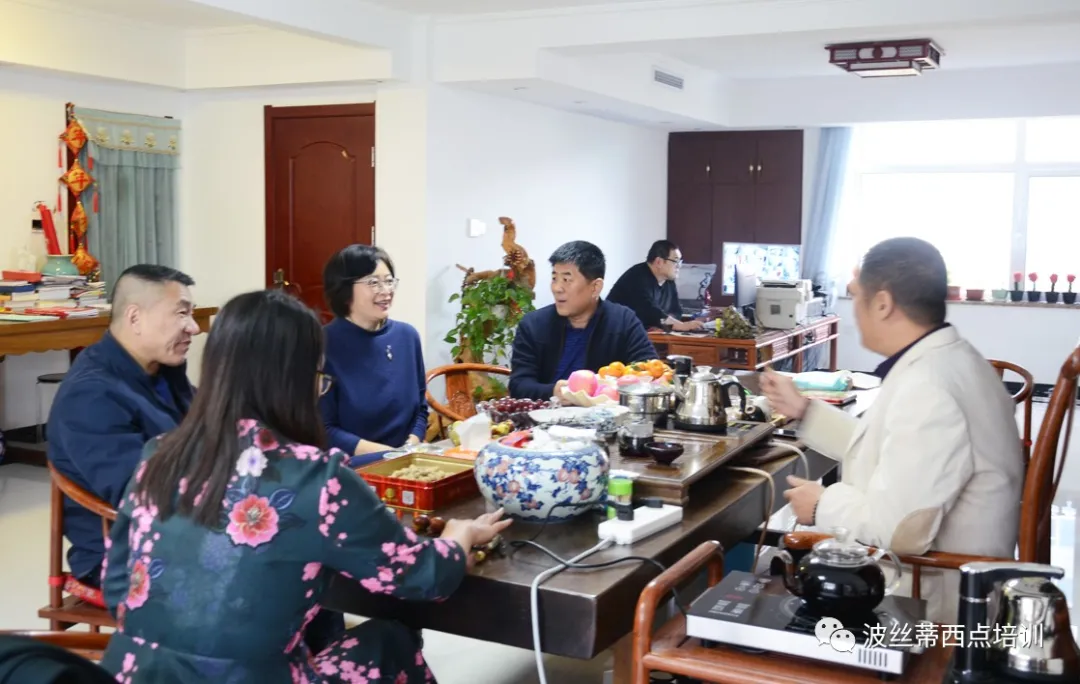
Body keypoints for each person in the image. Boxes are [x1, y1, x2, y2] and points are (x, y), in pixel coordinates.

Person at [99, 289, 512, 683]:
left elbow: (117, 586)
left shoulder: (159, 454)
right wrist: (459, 536)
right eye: (319, 375)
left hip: (128, 674)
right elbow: (420, 575)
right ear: (296, 380)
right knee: (389, 641)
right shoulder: (316, 479)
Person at [759, 237, 1023, 623]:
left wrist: (821, 504)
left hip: (934, 604)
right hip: (946, 580)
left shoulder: (928, 387)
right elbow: (893, 450)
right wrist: (805, 411)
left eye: (856, 296)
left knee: (768, 602)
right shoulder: (949, 361)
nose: (854, 310)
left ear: (882, 304)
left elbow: (902, 530)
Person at [47, 264, 198, 595]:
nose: (194, 327)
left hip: (182, 527)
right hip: (125, 553)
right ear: (134, 317)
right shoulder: (91, 394)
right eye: (181, 313)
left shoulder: (162, 372)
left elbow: (213, 431)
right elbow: (140, 491)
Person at [320, 245, 428, 466]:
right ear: (344, 288)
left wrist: (410, 447)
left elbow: (421, 409)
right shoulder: (322, 344)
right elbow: (324, 428)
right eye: (373, 283)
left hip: (408, 463)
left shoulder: (407, 336)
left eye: (389, 281)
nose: (386, 290)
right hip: (351, 468)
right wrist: (390, 455)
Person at [509, 241, 657, 400]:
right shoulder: (533, 325)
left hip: (604, 413)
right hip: (547, 410)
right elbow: (519, 385)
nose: (557, 288)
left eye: (567, 279)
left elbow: (650, 373)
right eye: (554, 278)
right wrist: (553, 391)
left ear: (595, 287)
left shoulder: (623, 321)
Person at [607, 240, 704, 332]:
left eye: (680, 261)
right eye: (675, 261)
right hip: (614, 332)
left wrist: (667, 324)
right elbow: (649, 311)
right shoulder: (637, 276)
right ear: (659, 262)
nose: (679, 266)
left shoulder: (668, 280)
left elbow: (676, 311)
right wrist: (680, 325)